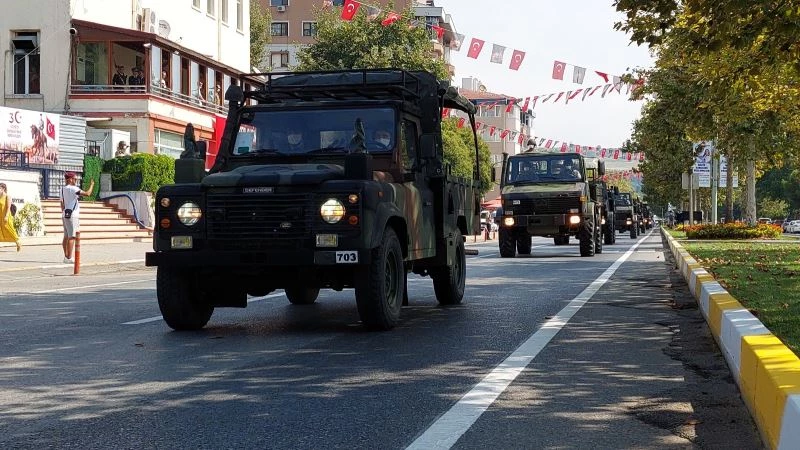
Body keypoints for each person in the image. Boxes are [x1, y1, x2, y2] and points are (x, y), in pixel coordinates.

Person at [61, 172, 94, 264]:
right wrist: (92, 185)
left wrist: (63, 212)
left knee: (66, 236)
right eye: (75, 179)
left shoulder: (63, 189)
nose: (76, 181)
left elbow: (61, 203)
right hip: (73, 215)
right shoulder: (74, 188)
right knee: (72, 237)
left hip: (65, 214)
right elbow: (87, 194)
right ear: (70, 179)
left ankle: (66, 256)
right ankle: (69, 257)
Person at [0, 183, 21, 252]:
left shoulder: (7, 196)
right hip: (0, 216)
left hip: (7, 215)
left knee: (9, 228)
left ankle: (17, 242)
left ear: (3, 189)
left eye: (0, 188)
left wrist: (6, 216)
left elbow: (8, 207)